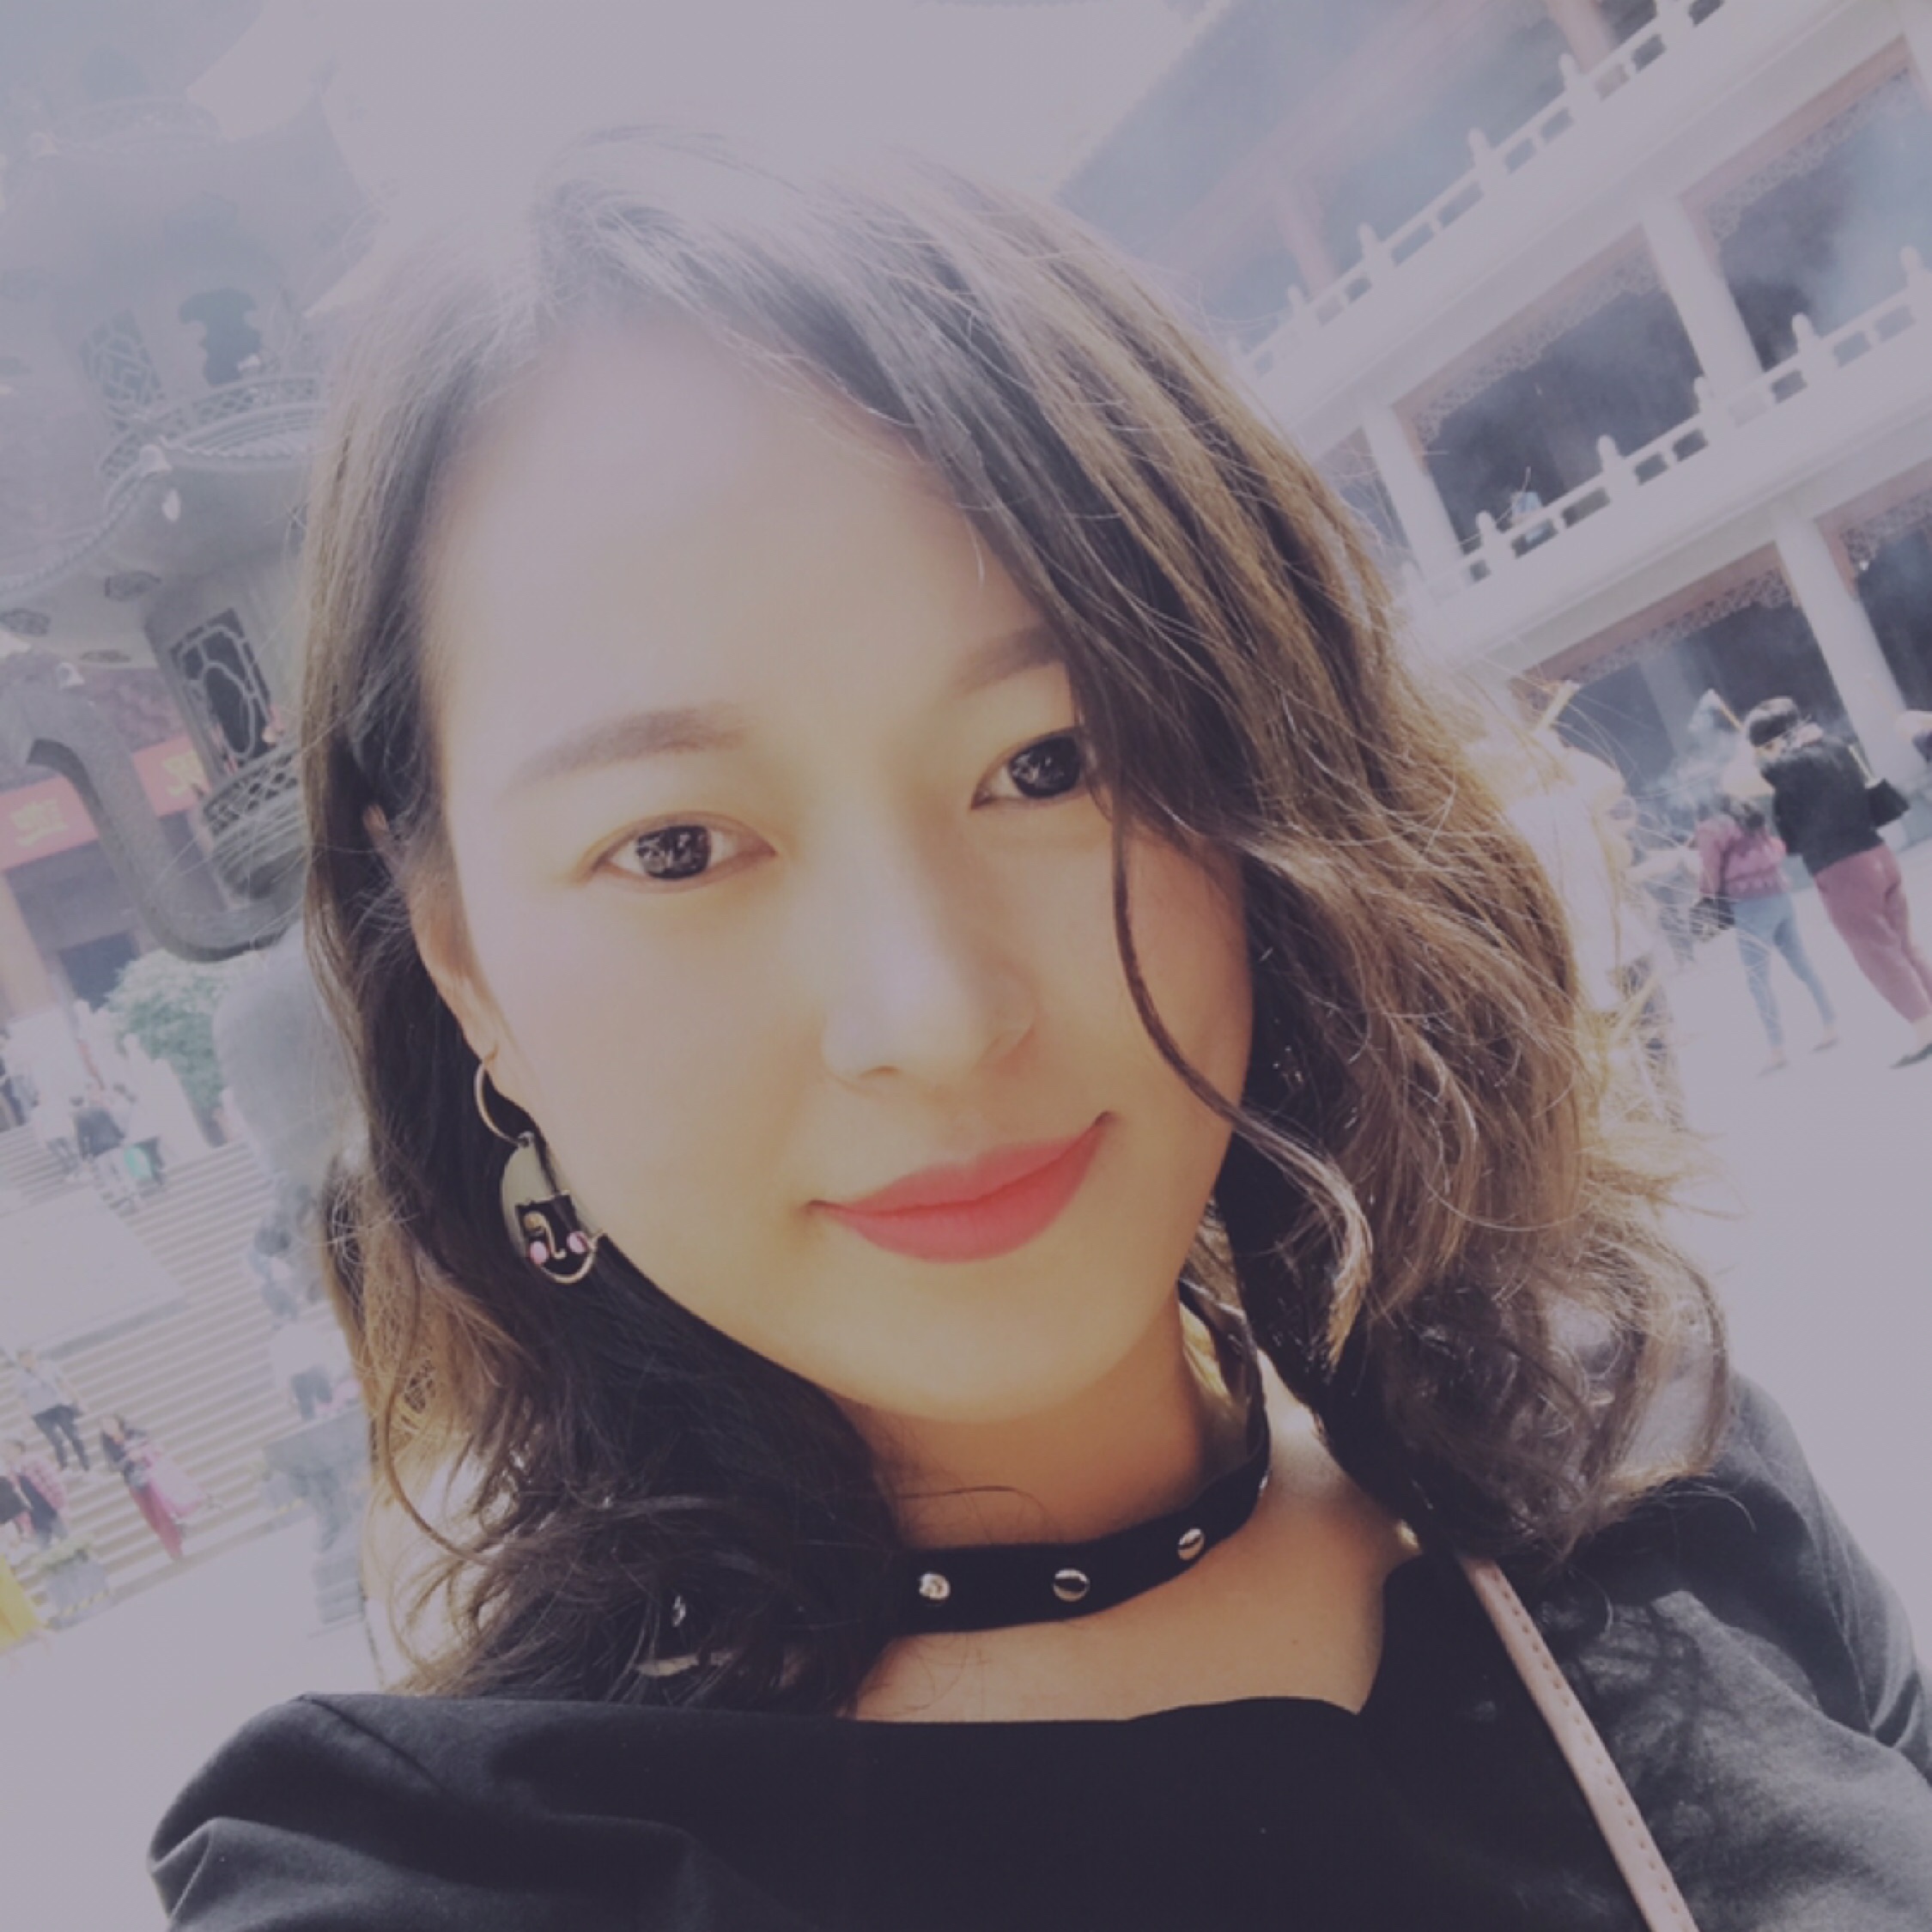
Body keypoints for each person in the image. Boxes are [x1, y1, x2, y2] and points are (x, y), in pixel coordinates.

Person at [151, 131, 1932, 1930]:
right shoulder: (468, 1881)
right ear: (463, 960)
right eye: (675, 846)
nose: (932, 1015)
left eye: (1049, 763)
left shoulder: (1637, 1470)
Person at [1745, 697, 1932, 1068]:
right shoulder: (1832, 745)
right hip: (1878, 854)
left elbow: (1738, 780)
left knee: (1877, 953)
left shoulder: (1791, 765)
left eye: (1764, 747)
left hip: (1842, 868)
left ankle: (1924, 1029)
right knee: (1905, 944)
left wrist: (1752, 753)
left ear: (1776, 741)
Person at [1692, 793, 1837, 1072]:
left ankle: (1777, 1048)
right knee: (1802, 963)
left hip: (1750, 905)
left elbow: (1710, 875)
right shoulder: (1750, 815)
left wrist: (1700, 891)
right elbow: (1775, 847)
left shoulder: (1710, 829)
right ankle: (1829, 1022)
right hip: (1779, 892)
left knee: (1757, 978)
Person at [100, 1414, 207, 1563]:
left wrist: (144, 1452)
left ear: (118, 1422)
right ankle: (173, 1544)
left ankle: (175, 1549)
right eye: (105, 1426)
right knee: (152, 1518)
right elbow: (112, 1467)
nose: (108, 1428)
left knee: (162, 1514)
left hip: (154, 1478)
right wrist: (128, 1459)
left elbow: (152, 1445)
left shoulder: (135, 1433)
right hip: (135, 1484)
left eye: (110, 1423)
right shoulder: (108, 1445)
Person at [9, 1347, 90, 1473]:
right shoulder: (20, 1378)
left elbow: (65, 1383)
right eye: (24, 1358)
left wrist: (79, 1400)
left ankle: (86, 1466)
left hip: (58, 1406)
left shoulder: (48, 1366)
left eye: (30, 1356)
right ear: (20, 1361)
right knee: (56, 1440)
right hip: (40, 1413)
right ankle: (65, 1467)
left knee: (73, 1436)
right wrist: (26, 1421)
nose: (28, 1360)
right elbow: (22, 1401)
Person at [3, 1437, 68, 1549]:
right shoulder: (9, 1474)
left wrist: (62, 1506)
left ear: (18, 1448)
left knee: (67, 1541)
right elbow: (15, 1502)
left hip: (51, 1509)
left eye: (8, 1449)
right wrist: (24, 1524)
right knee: (43, 1549)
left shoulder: (34, 1461)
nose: (5, 1453)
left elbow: (54, 1483)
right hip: (33, 1518)